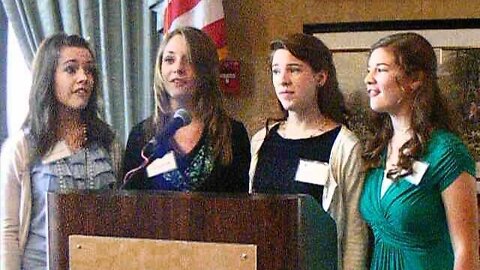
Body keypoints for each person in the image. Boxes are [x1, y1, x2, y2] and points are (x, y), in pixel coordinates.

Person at [0, 33, 123, 269]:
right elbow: (8, 233)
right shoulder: (22, 148)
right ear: (49, 78)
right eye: (71, 69)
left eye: (89, 70)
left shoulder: (109, 143)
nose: (83, 78)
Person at [249, 33, 369, 270]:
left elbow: (355, 236)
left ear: (320, 77)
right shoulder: (261, 140)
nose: (283, 80)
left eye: (293, 70)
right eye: (276, 71)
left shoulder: (344, 145)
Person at [360, 32, 479, 269]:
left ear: (414, 79)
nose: (368, 79)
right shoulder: (379, 149)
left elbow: (466, 250)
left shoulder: (446, 152)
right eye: (368, 69)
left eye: (380, 70)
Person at [122, 26, 250, 193]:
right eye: (169, 60)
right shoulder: (141, 137)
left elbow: (240, 209)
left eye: (188, 59)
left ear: (206, 70)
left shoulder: (233, 135)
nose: (178, 68)